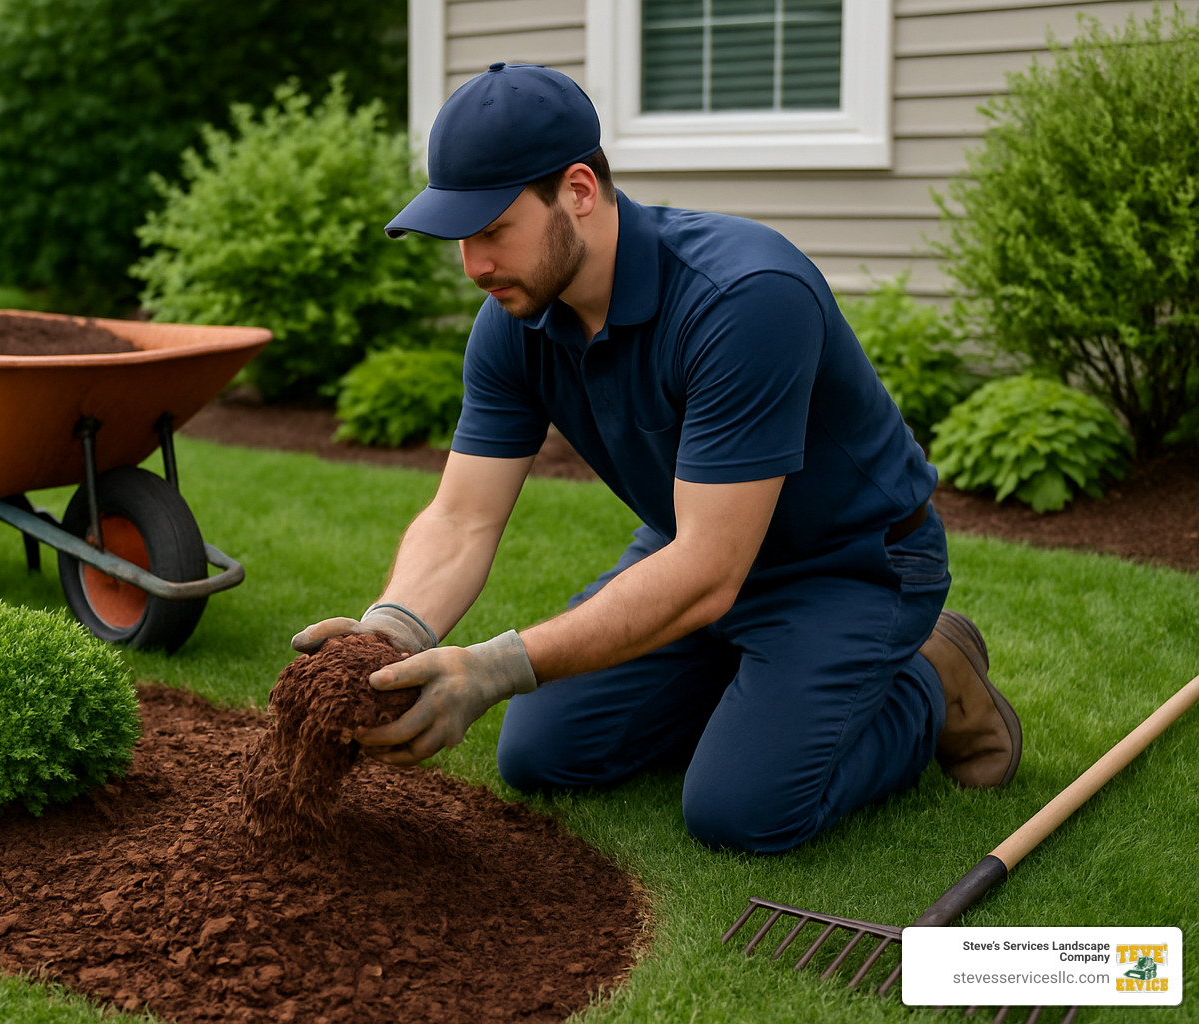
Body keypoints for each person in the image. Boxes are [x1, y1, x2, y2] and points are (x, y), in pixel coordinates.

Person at [292, 62, 1022, 853]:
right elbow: (463, 516)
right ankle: (760, 688)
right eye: (460, 237)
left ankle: (927, 678)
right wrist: (394, 629)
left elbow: (709, 571)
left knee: (741, 813)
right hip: (694, 548)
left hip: (850, 566)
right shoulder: (516, 322)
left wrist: (496, 667)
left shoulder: (743, 297)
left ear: (577, 190)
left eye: (493, 229)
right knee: (541, 755)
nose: (474, 265)